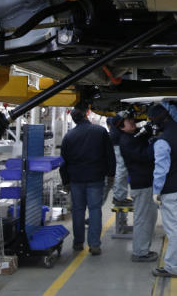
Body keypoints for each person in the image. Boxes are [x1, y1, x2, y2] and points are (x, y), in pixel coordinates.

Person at [60, 107, 115, 256]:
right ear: (86, 115)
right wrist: (111, 174)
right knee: (95, 210)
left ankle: (78, 243)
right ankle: (95, 245)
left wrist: (66, 181)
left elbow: (63, 162)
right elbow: (110, 155)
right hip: (95, 178)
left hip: (76, 179)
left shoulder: (68, 137)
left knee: (78, 210)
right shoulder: (100, 132)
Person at [149, 101, 177, 278]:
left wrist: (156, 191)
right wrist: (164, 102)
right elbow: (176, 114)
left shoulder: (162, 142)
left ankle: (173, 268)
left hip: (171, 192)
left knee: (174, 229)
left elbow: (161, 170)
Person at [114, 111, 158, 262]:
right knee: (142, 218)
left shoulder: (132, 136)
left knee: (150, 214)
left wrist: (150, 128)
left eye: (131, 119)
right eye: (127, 121)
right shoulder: (126, 141)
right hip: (141, 184)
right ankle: (140, 252)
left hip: (145, 182)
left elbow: (143, 135)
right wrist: (156, 143)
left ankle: (143, 248)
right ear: (121, 127)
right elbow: (145, 155)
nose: (131, 122)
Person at [106, 115, 132, 207]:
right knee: (121, 170)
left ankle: (121, 197)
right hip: (118, 143)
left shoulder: (115, 114)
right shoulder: (119, 114)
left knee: (122, 170)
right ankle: (119, 198)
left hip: (118, 142)